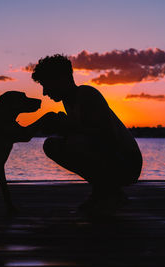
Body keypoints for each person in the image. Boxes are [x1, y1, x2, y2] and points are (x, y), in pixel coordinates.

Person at [31, 54, 143, 216]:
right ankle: (104, 193)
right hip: (114, 159)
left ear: (62, 78)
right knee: (53, 145)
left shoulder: (86, 95)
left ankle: (110, 193)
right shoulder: (69, 101)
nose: (44, 92)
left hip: (126, 162)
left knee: (70, 144)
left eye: (46, 84)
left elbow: (107, 138)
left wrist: (67, 128)